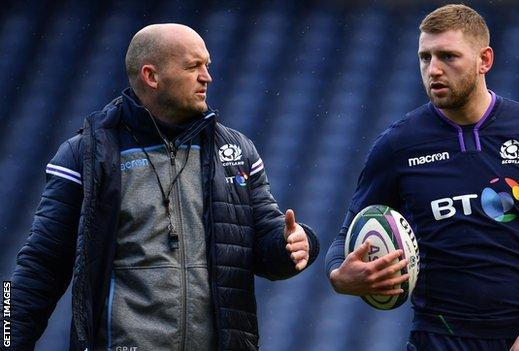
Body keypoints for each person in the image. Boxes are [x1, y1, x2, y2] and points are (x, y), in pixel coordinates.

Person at [10, 23, 319, 351]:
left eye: (207, 65)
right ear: (151, 76)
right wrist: (5, 336)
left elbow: (267, 248)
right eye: (193, 66)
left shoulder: (237, 151)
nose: (206, 77)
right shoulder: (84, 156)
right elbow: (39, 266)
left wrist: (297, 245)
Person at [325, 4, 519, 351]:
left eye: (448, 56)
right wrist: (339, 276)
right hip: (436, 340)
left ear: (485, 60)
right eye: (425, 57)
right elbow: (345, 237)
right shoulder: (397, 145)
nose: (433, 69)